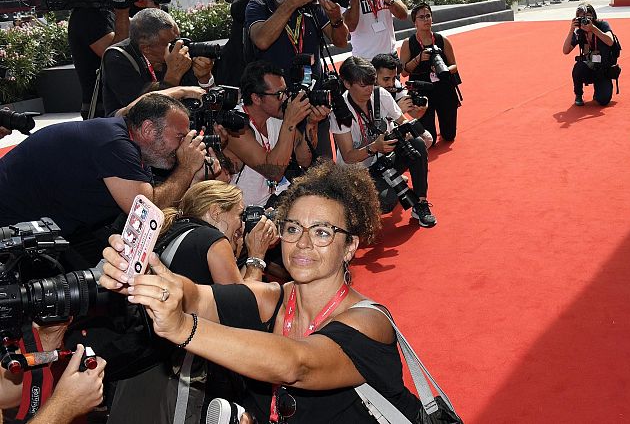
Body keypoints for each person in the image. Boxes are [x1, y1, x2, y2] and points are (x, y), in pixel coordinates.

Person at [98, 161, 423, 422]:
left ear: (351, 246)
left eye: (323, 232)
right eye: (293, 228)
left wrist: (184, 327)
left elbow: (297, 364)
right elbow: (197, 297)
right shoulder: (269, 298)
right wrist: (158, 279)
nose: (303, 243)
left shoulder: (370, 322)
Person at [107, 180, 278, 424]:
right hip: (181, 370)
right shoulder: (213, 239)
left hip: (142, 363)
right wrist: (257, 256)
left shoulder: (171, 231)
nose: (242, 225)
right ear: (217, 211)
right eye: (239, 215)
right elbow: (243, 310)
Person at [0, 93, 211, 269]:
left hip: (50, 228)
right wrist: (186, 168)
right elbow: (146, 211)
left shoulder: (124, 135)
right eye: (180, 136)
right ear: (147, 129)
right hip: (12, 227)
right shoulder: (113, 143)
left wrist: (195, 177)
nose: (185, 145)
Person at [245, 0, 349, 160]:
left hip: (313, 101)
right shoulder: (257, 7)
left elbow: (340, 42)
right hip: (277, 105)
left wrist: (336, 19)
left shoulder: (311, 7)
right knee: (287, 168)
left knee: (322, 165)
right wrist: (291, 4)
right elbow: (262, 39)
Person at [331, 56, 436, 228]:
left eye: (371, 83)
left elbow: (403, 121)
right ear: (347, 84)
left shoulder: (380, 94)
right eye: (363, 85)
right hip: (357, 172)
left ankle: (420, 204)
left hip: (384, 160)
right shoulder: (340, 110)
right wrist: (374, 147)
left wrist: (417, 131)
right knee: (387, 202)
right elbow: (348, 157)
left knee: (417, 144)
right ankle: (354, 201)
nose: (369, 90)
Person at [224, 60, 330, 208]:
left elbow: (304, 159)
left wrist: (312, 123)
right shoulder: (235, 124)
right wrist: (290, 122)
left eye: (286, 92)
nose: (286, 99)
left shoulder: (276, 117)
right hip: (242, 212)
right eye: (279, 94)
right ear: (256, 98)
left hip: (273, 203)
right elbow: (273, 172)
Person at [101, 8, 213, 116]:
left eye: (179, 38)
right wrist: (173, 75)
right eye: (172, 43)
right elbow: (143, 112)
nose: (179, 46)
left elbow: (205, 100)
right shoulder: (117, 58)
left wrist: (205, 78)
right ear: (146, 49)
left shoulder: (180, 55)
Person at [67, 0, 132, 119]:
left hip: (115, 105)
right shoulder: (88, 14)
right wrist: (122, 9)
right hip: (102, 110)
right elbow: (116, 54)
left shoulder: (105, 10)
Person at [399, 2, 461, 144]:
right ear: (415, 22)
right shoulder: (408, 43)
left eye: (428, 16)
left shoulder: (442, 40)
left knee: (449, 135)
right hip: (421, 90)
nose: (426, 19)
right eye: (421, 17)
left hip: (444, 88)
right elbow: (403, 72)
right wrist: (418, 59)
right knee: (430, 139)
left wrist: (443, 70)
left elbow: (454, 66)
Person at [562, 3, 616, 106]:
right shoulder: (580, 32)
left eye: (587, 16)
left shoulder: (602, 25)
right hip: (589, 67)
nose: (585, 20)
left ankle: (598, 89)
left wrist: (593, 29)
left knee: (603, 101)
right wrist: (571, 30)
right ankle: (578, 94)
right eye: (581, 17)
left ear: (593, 16)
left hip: (603, 68)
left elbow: (610, 41)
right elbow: (565, 50)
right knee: (578, 67)